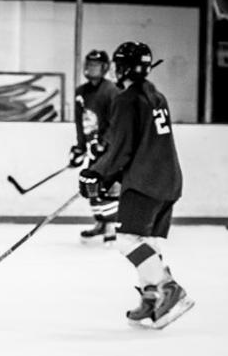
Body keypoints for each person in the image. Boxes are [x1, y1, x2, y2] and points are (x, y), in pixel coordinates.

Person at [78, 42, 194, 329]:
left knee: (127, 240)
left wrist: (96, 173)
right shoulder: (156, 95)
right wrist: (106, 172)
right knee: (147, 242)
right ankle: (151, 297)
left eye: (119, 65)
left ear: (126, 67)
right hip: (168, 180)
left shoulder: (127, 98)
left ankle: (168, 287)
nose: (117, 71)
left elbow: (122, 147)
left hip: (145, 182)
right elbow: (140, 142)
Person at [69, 49, 121, 243]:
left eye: (95, 65)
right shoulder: (81, 92)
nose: (90, 69)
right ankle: (100, 223)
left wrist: (104, 143)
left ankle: (111, 226)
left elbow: (116, 122)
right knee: (92, 184)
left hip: (110, 150)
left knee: (110, 186)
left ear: (105, 68)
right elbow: (80, 123)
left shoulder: (112, 91)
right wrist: (80, 147)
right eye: (88, 64)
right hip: (93, 148)